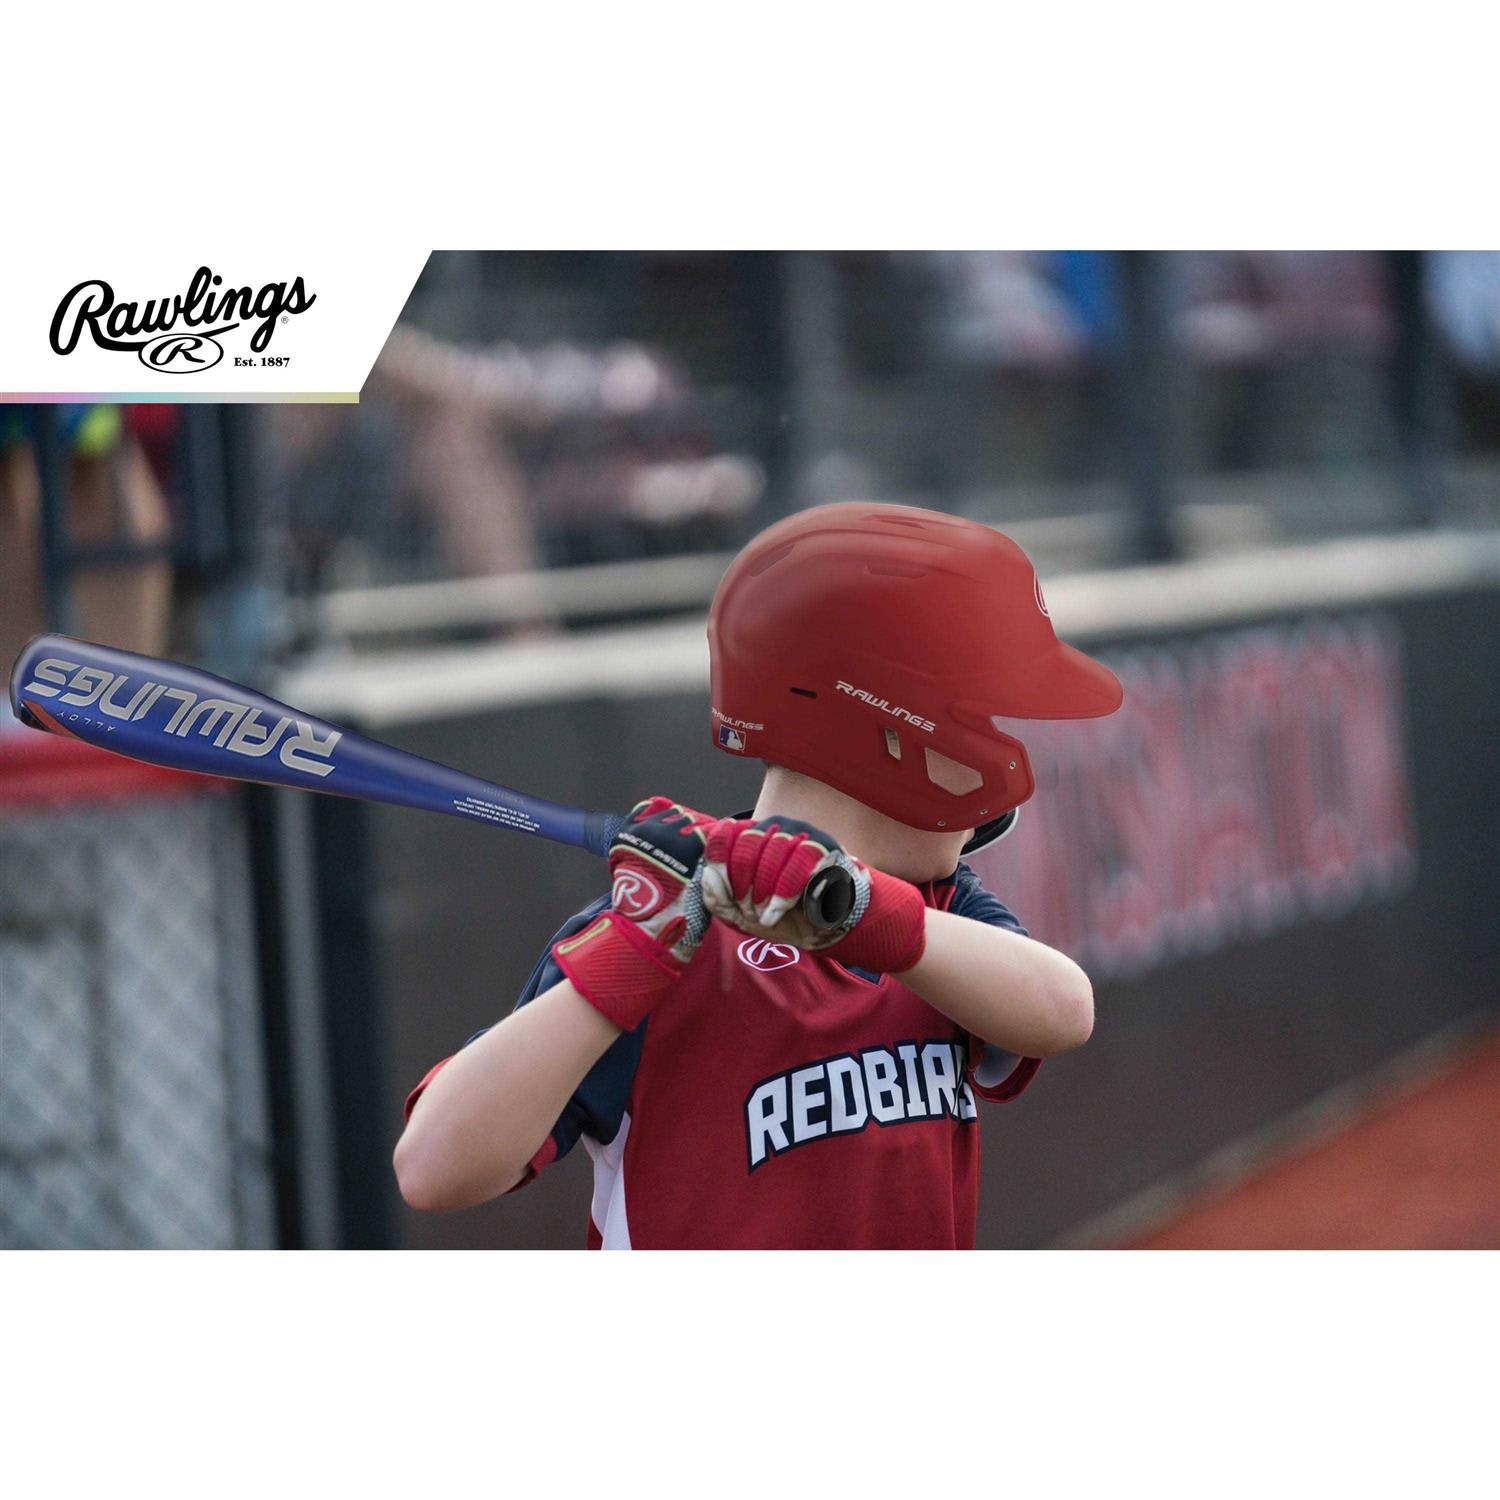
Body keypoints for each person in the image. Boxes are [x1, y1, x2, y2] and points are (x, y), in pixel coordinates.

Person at [393, 502, 1123, 1248]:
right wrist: (633, 953)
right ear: (891, 726)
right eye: (981, 716)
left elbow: (1064, 1011)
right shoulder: (654, 935)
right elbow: (432, 1169)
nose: (1000, 742)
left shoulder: (940, 911)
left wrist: (855, 909)